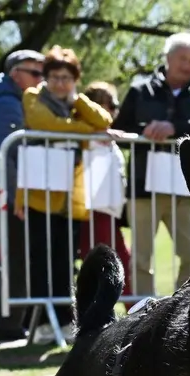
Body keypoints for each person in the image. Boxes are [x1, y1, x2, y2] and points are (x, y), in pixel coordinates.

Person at [15, 46, 111, 339]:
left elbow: (104, 120)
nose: (60, 83)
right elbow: (45, 123)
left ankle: (64, 320)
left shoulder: (74, 103)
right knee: (40, 261)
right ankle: (42, 323)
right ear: (45, 77)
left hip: (68, 198)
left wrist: (78, 100)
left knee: (64, 262)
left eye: (67, 78)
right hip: (38, 195)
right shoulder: (33, 97)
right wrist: (85, 131)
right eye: (55, 77)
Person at [117, 32, 190, 296]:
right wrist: (145, 130)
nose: (188, 65)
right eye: (183, 58)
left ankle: (183, 313)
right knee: (140, 258)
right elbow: (120, 129)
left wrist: (174, 127)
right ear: (168, 57)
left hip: (185, 189)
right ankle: (140, 315)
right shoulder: (141, 90)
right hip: (143, 188)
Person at [0, 49, 45, 339]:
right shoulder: (7, 104)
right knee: (14, 258)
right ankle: (10, 323)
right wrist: (17, 196)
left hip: (1, 194)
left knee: (10, 256)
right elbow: (7, 154)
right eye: (35, 74)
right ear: (16, 73)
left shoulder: (1, 99)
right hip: (8, 196)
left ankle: (11, 320)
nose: (40, 81)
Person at [77, 81, 133, 283]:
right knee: (114, 265)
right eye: (106, 104)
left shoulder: (107, 138)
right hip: (93, 211)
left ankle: (133, 309)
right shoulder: (85, 137)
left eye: (113, 104)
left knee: (121, 264)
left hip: (109, 213)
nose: (112, 110)